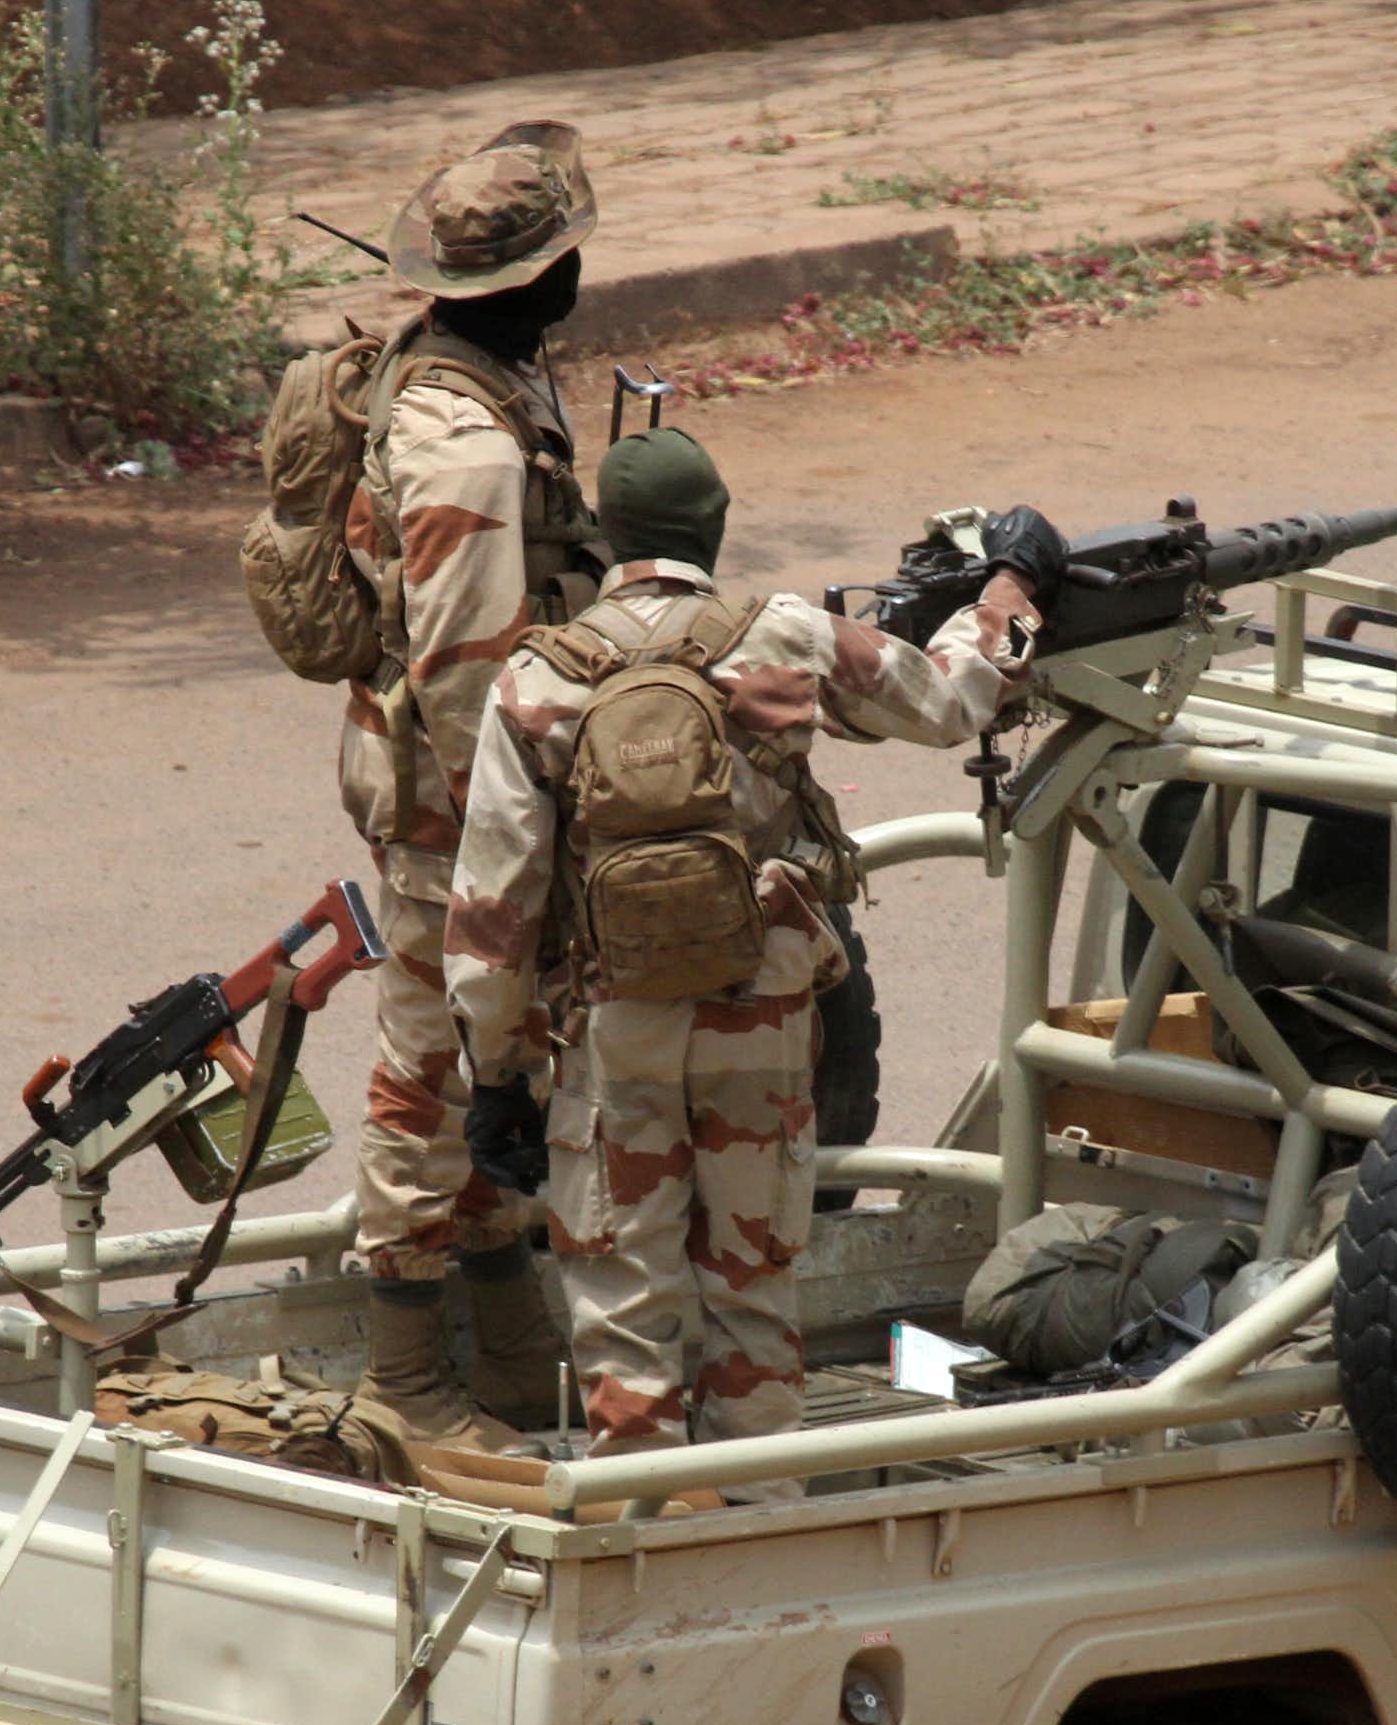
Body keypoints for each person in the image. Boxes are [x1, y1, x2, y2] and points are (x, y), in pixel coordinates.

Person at [443, 427, 1065, 1472]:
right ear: (716, 528)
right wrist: (1009, 586)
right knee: (751, 1282)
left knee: (624, 1295)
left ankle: (647, 1511)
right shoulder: (785, 635)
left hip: (616, 1026)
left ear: (607, 538)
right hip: (762, 1015)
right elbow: (957, 695)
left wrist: (499, 1075)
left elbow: (494, 913)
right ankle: (757, 1509)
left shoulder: (533, 682)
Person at [339, 121, 611, 1455]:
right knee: (432, 1076)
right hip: (462, 813)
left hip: (491, 801)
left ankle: (507, 1347)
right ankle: (403, 1374)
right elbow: (462, 680)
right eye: (569, 255)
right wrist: (515, 845)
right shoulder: (467, 447)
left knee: (510, 1063)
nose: (582, 276)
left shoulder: (496, 378)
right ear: (530, 282)